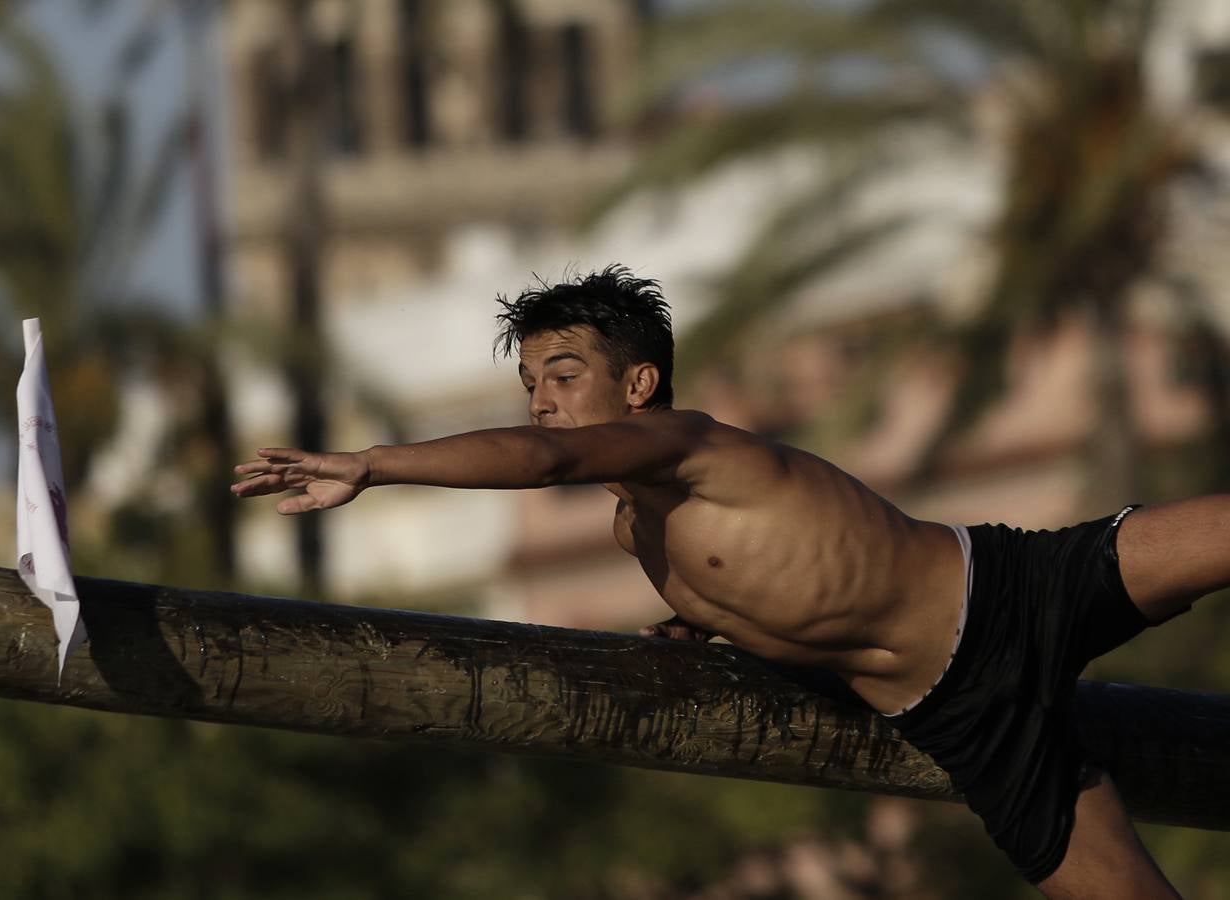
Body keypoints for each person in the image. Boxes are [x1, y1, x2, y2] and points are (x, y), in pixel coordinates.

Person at [231, 265, 1211, 898]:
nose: (541, 401)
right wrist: (698, 621)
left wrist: (371, 463)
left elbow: (541, 464)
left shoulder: (686, 442)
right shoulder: (636, 533)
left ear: (638, 385)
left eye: (564, 374)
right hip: (955, 720)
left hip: (1008, 589)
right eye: (531, 382)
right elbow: (763, 582)